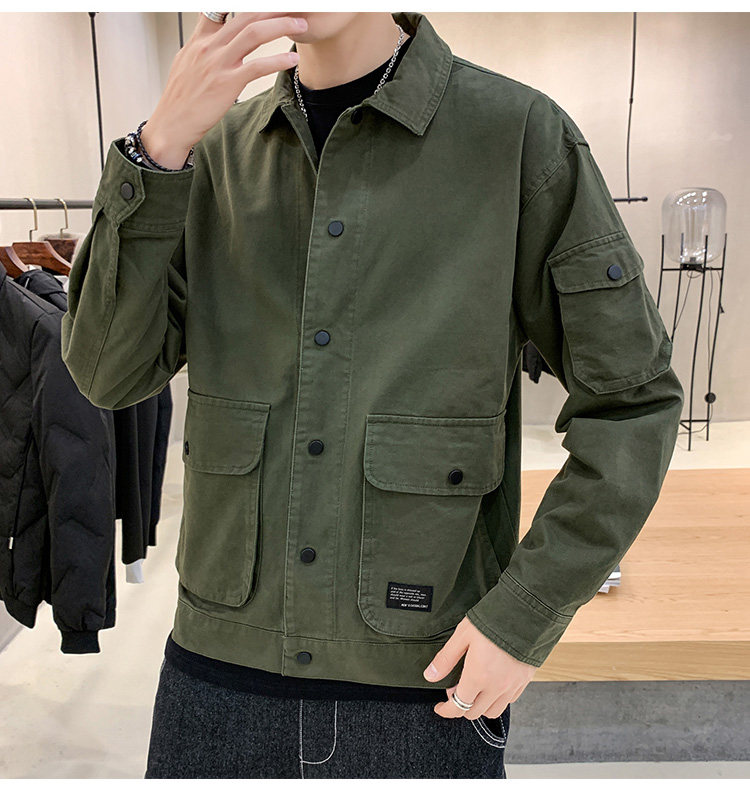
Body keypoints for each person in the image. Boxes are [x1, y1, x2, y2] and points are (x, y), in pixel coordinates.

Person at [60, 10, 684, 779]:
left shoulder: (518, 137)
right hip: (215, 679)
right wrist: (155, 152)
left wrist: (526, 611)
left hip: (421, 687)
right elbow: (108, 373)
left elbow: (633, 401)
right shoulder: (212, 152)